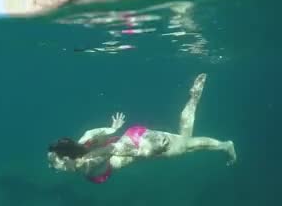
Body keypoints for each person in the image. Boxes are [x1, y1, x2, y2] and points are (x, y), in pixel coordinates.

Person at [47, 73, 236, 184]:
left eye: (59, 166)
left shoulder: (87, 162)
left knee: (186, 144)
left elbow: (114, 150)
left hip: (140, 145)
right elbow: (93, 134)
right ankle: (194, 100)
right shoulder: (83, 144)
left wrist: (148, 151)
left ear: (67, 159)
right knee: (185, 138)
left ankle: (225, 145)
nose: (59, 170)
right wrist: (111, 129)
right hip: (135, 135)